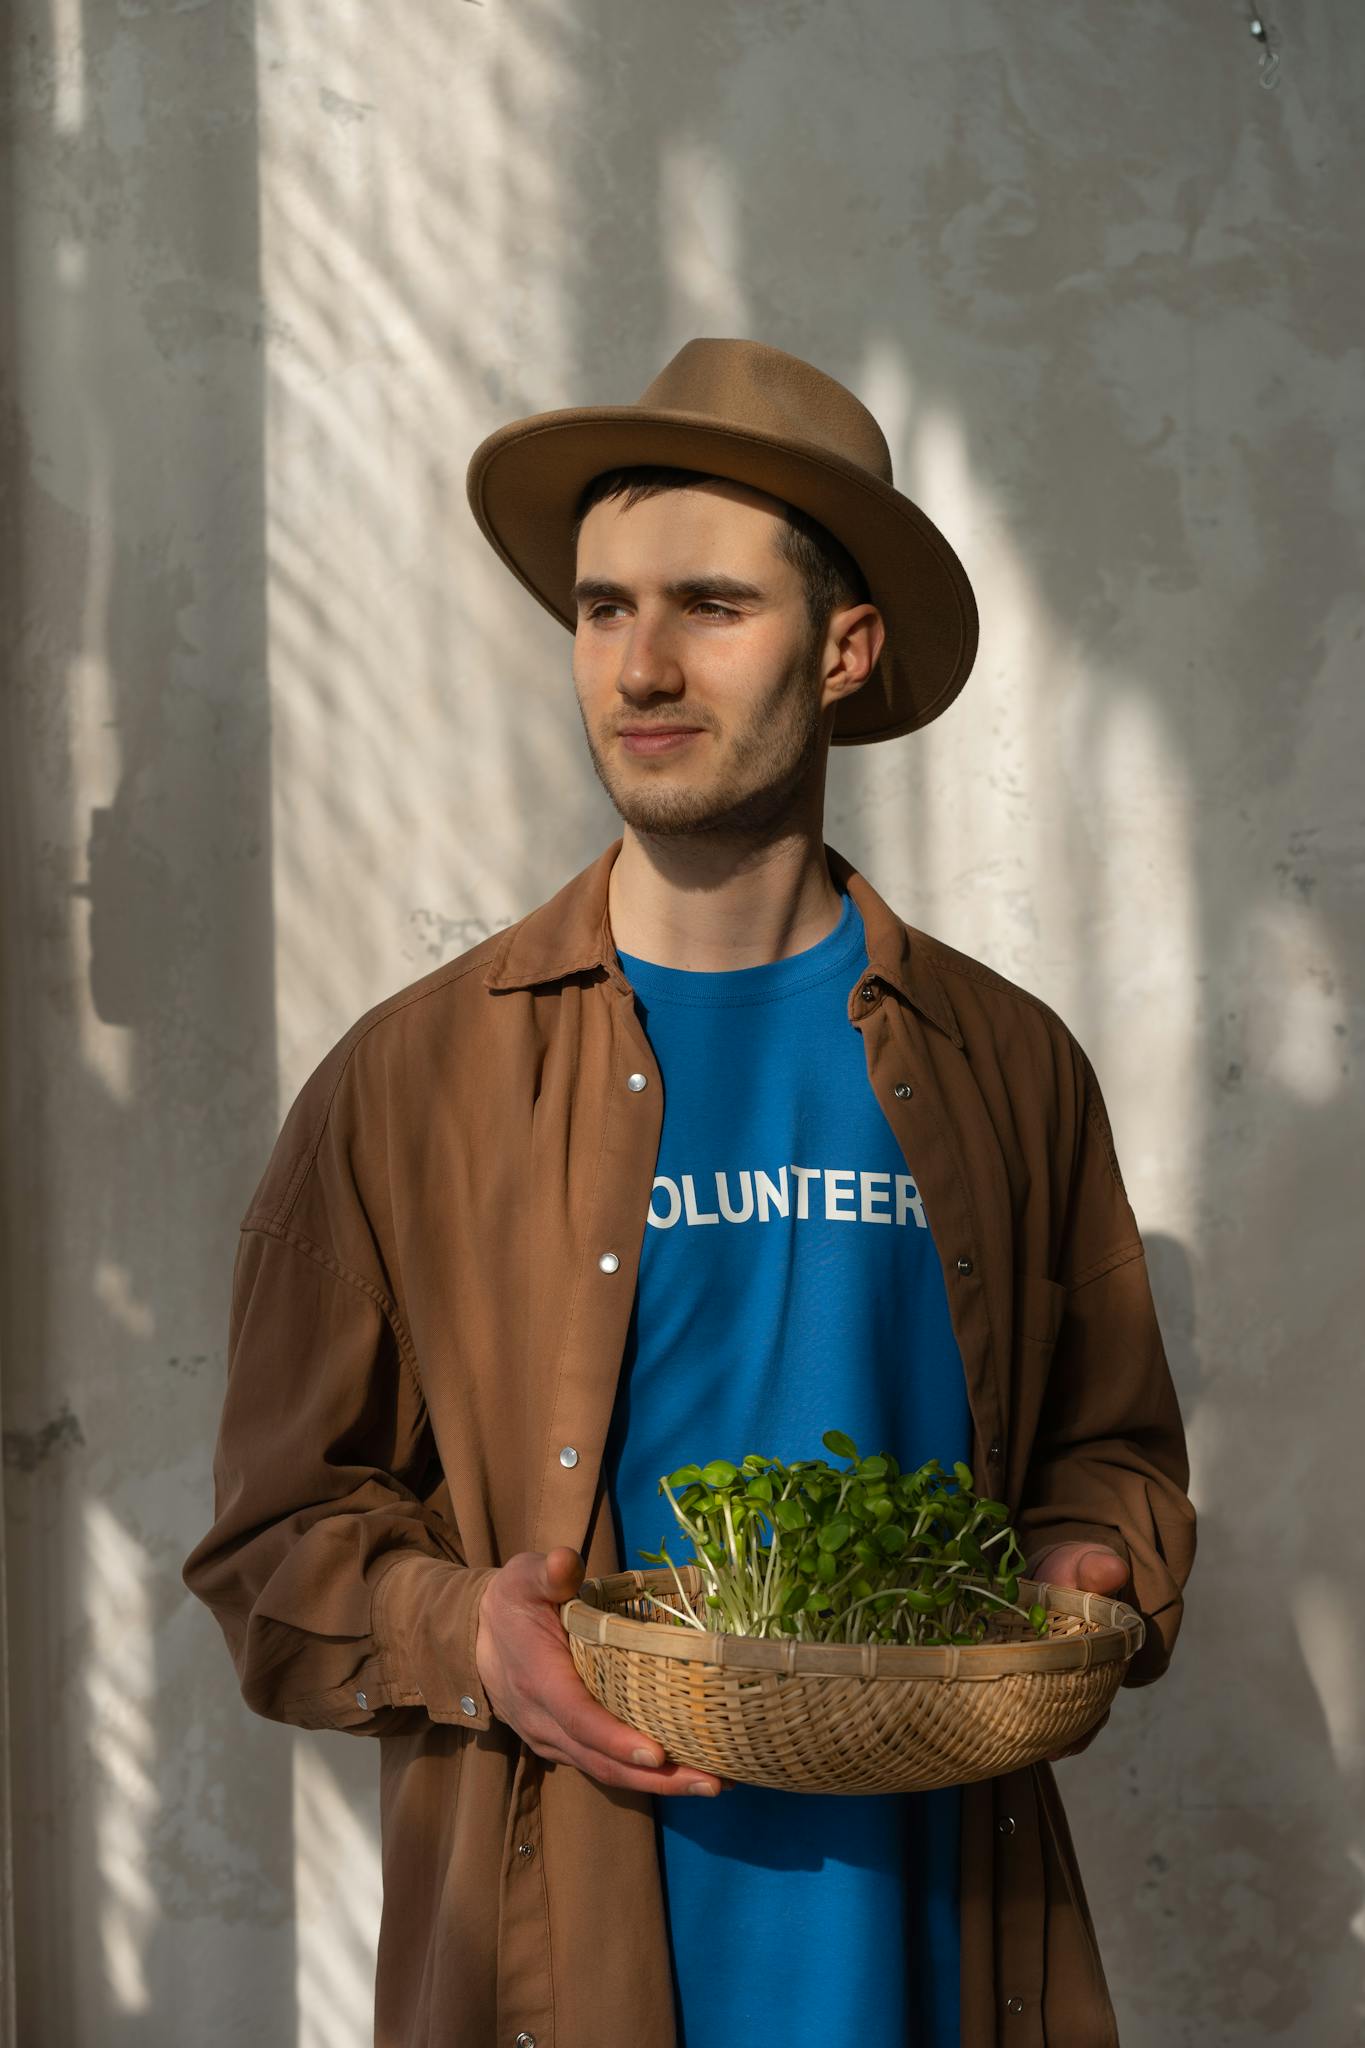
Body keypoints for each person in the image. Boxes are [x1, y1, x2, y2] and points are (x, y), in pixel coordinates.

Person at [183, 337, 1196, 2048]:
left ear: (846, 647)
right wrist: (463, 1634)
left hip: (946, 1955)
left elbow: (1112, 1454)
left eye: (710, 606)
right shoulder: (413, 1080)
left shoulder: (1007, 1066)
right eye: (599, 610)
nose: (638, 667)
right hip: (556, 1958)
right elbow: (276, 1542)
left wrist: (1088, 1558)